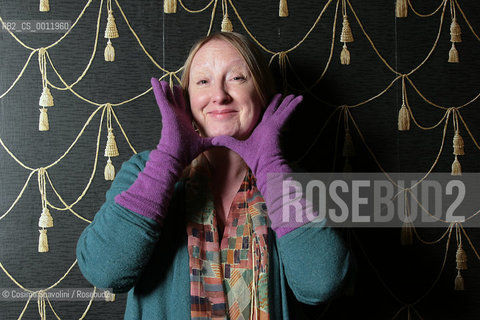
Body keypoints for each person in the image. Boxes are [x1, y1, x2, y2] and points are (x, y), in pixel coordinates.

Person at [76, 32, 351, 319]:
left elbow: (322, 283)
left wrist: (271, 167)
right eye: (203, 81)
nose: (219, 95)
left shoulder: (292, 184)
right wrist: (168, 159)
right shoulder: (143, 171)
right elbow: (104, 271)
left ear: (262, 94)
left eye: (237, 78)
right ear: (187, 100)